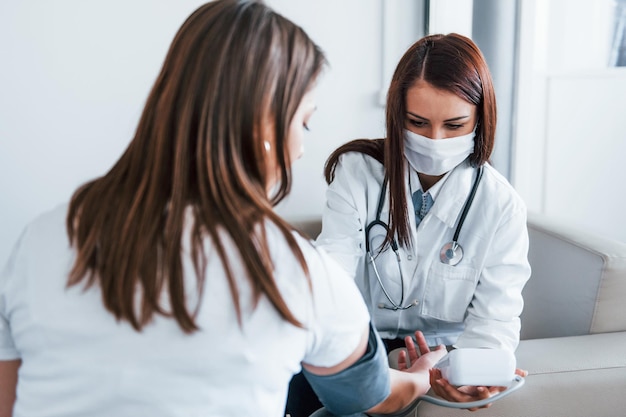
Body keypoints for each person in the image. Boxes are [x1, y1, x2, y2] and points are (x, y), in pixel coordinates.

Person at [0, 1, 458, 416]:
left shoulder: (41, 238)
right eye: (304, 122)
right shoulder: (295, 271)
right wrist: (419, 377)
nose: (300, 149)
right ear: (265, 124)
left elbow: (10, 399)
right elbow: (368, 396)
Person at [287, 33, 531, 415]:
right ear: (395, 115)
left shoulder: (500, 206)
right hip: (357, 347)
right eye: (417, 122)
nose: (435, 140)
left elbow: (495, 320)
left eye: (454, 125)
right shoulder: (357, 172)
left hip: (441, 358)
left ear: (481, 120)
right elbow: (332, 271)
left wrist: (471, 374)